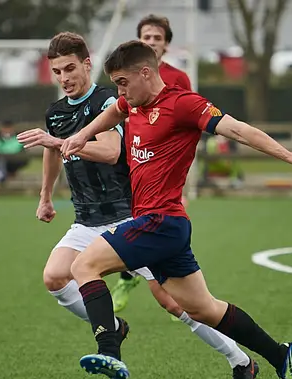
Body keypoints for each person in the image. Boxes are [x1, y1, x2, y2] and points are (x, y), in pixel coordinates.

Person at [61, 40, 292, 379]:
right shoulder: (131, 102)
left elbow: (238, 130)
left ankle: (109, 351)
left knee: (83, 265)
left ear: (145, 73)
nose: (119, 92)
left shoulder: (183, 104)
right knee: (204, 309)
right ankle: (282, 356)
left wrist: (289, 155)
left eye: (123, 82)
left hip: (160, 220)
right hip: (163, 226)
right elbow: (114, 113)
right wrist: (81, 136)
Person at [18, 32, 258, 379]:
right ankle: (113, 326)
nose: (64, 78)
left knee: (176, 303)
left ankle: (240, 361)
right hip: (87, 219)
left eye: (70, 68)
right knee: (54, 277)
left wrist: (61, 143)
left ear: (87, 64)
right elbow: (52, 153)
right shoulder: (55, 112)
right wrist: (45, 196)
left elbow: (111, 151)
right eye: (57, 72)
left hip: (130, 217)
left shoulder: (109, 100)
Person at [110, 14, 197, 313]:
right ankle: (130, 279)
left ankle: (174, 295)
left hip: (163, 173)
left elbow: (188, 129)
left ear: (166, 45)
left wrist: (180, 185)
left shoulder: (178, 80)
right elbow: (118, 111)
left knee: (157, 230)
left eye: (157, 38)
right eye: (146, 37)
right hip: (133, 162)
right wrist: (80, 137)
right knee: (132, 224)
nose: (151, 42)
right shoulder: (126, 78)